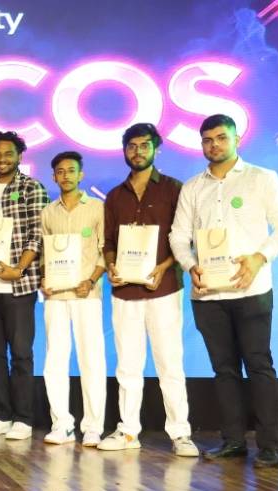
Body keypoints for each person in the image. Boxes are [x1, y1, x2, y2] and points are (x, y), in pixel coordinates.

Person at [170, 114, 278, 468]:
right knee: (224, 370)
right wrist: (189, 265)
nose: (214, 145)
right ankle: (233, 441)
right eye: (207, 140)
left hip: (251, 289)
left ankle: (269, 445)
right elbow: (178, 236)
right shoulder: (192, 187)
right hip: (208, 294)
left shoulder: (262, 178)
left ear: (237, 139)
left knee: (259, 366)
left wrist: (259, 257)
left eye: (221, 137)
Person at [100, 123, 198, 457]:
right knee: (127, 365)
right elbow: (108, 241)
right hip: (125, 292)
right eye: (131, 146)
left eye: (144, 145)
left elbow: (185, 238)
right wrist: (111, 265)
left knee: (170, 363)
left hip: (164, 288)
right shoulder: (115, 196)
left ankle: (180, 433)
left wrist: (164, 266)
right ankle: (128, 430)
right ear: (124, 150)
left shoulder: (173, 189)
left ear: (156, 148)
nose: (137, 151)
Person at [0, 131, 48, 441]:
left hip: (18, 285)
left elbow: (37, 233)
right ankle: (1, 413)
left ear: (19, 156)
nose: (1, 159)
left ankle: (23, 418)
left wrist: (20, 268)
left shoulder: (31, 188)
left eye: (8, 154)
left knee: (21, 353)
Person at [39, 152, 106, 446]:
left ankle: (93, 426)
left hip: (86, 294)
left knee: (91, 359)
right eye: (60, 171)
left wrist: (90, 280)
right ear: (54, 176)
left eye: (71, 170)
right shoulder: (48, 212)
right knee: (54, 359)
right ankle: (62, 424)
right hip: (55, 296)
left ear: (81, 175)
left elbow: (105, 251)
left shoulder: (97, 208)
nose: (65, 175)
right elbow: (45, 254)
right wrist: (44, 278)